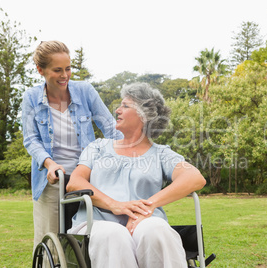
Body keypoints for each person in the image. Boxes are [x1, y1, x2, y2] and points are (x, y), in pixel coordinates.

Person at [66, 82, 206, 268]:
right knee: (115, 235)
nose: (117, 110)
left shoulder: (161, 154)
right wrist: (116, 205)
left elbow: (195, 178)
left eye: (125, 106)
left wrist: (147, 208)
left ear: (144, 115)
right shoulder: (98, 147)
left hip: (144, 221)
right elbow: (74, 183)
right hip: (96, 223)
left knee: (156, 230)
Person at [21, 40, 122, 249]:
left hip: (87, 177)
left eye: (68, 69)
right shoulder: (31, 98)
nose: (65, 75)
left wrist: (133, 149)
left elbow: (110, 128)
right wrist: (50, 164)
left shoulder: (84, 91)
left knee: (90, 238)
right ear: (40, 70)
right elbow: (31, 140)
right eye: (57, 70)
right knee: (50, 241)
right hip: (51, 181)